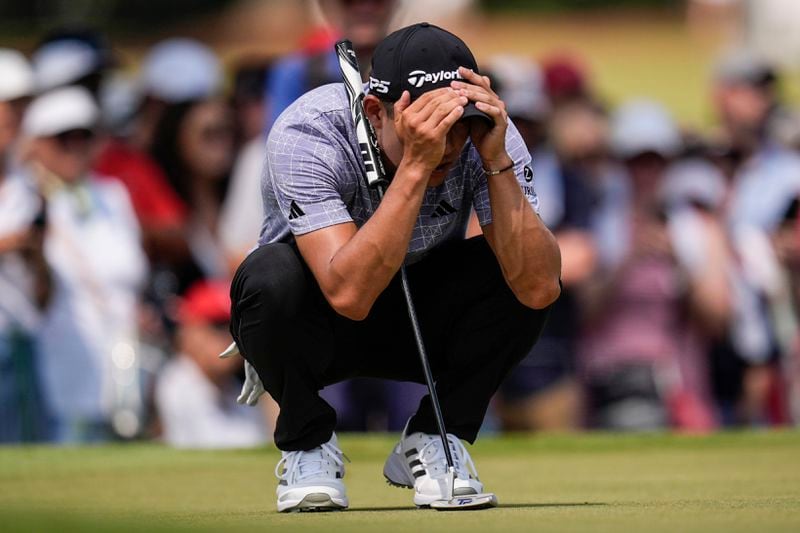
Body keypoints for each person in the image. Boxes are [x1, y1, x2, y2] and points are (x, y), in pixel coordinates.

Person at [227, 23, 561, 512]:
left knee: (518, 267)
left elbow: (538, 287)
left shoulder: (487, 135)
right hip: (313, 318)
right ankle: (308, 443)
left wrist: (495, 160)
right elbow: (349, 296)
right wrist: (414, 169)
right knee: (268, 276)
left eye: (458, 123)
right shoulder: (307, 132)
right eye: (427, 125)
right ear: (374, 111)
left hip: (419, 309)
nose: (448, 144)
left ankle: (435, 436)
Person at [20, 87, 148, 442]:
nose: (76, 147)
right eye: (63, 138)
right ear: (38, 143)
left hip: (123, 364)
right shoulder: (23, 200)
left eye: (84, 136)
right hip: (59, 370)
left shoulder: (112, 195)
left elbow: (130, 273)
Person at [0, 49, 51, 442]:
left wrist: (34, 251)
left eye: (21, 106)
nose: (16, 117)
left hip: (21, 335)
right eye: (9, 105)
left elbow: (42, 286)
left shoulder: (27, 183)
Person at [155, 280, 270, 449]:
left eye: (236, 326)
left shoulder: (233, 385)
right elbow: (214, 447)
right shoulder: (180, 381)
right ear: (189, 331)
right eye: (218, 326)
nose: (231, 337)